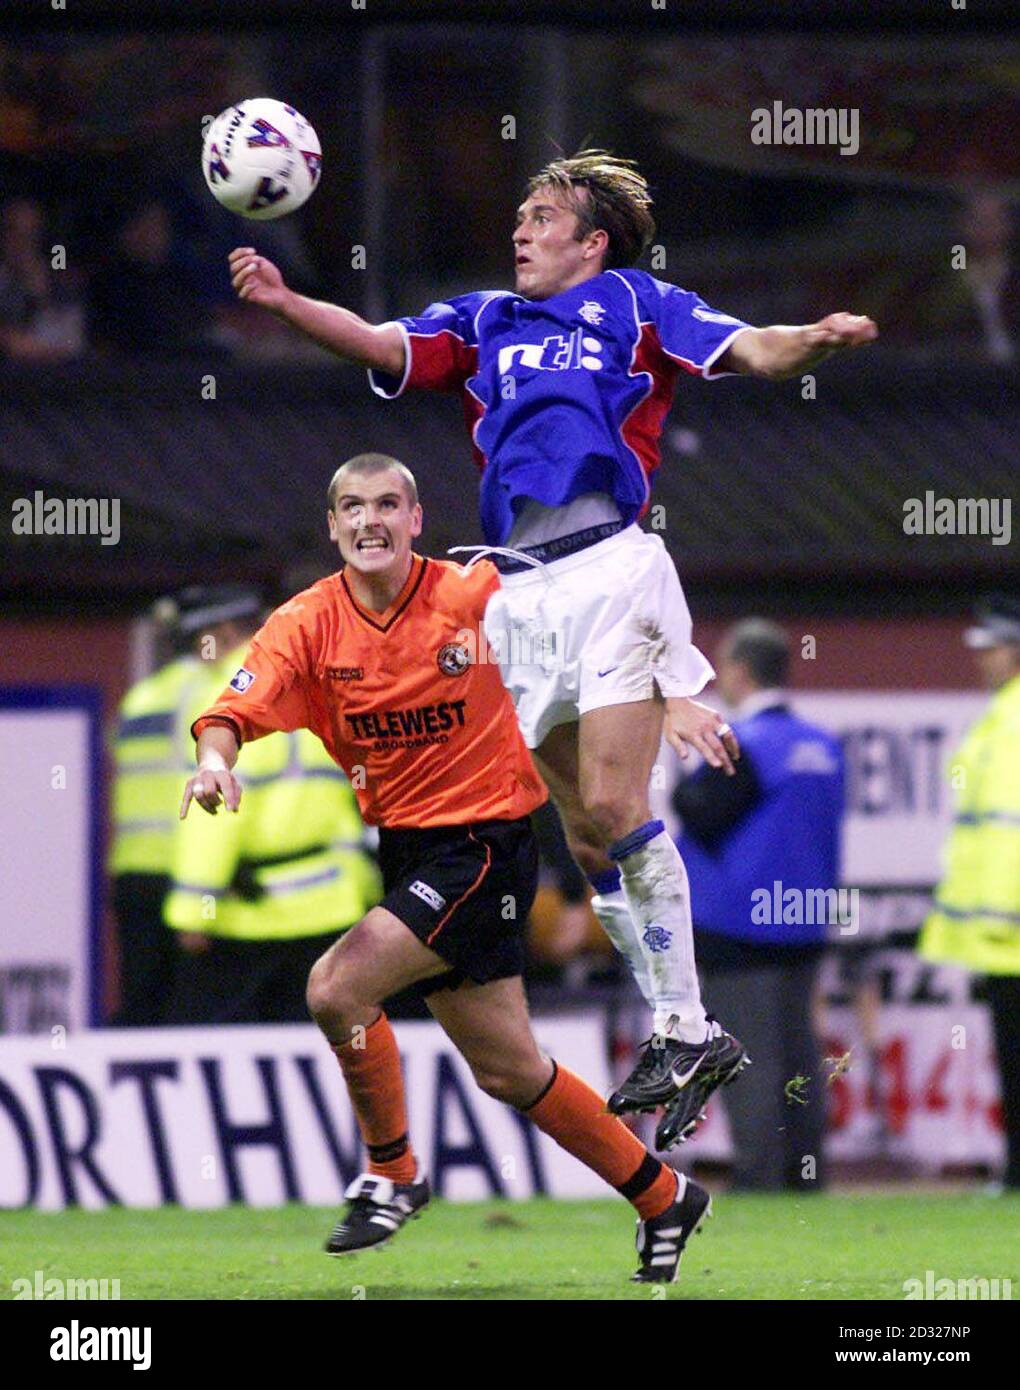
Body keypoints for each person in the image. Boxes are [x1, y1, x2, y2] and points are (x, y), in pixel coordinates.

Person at [226, 148, 877, 1132]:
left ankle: (687, 1024)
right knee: (581, 834)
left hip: (611, 564)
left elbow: (756, 349)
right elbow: (370, 341)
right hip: (515, 597)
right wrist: (285, 303)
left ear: (592, 240)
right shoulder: (482, 319)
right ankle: (687, 1032)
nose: (521, 228)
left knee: (619, 801)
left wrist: (817, 341)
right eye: (521, 214)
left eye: (541, 216)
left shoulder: (635, 301)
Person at [181, 452, 711, 1284]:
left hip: (487, 845)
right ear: (332, 527)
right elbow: (232, 707)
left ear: (417, 519)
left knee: (335, 988)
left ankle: (392, 1172)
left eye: (388, 505)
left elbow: (601, 621)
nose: (370, 522)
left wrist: (672, 686)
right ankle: (662, 1195)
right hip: (409, 849)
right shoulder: (308, 624)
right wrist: (215, 762)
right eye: (352, 508)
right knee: (509, 1069)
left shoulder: (479, 596)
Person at [668, 620, 844, 1174]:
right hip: (804, 924)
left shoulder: (745, 742)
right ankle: (805, 1180)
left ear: (740, 671)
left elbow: (699, 810)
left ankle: (764, 1182)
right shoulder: (824, 745)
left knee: (751, 1064)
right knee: (799, 1061)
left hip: (737, 925)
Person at [164, 620, 381, 1026]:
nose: (197, 655)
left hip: (249, 920)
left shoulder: (219, 701)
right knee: (323, 1040)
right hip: (331, 908)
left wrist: (195, 910)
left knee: (227, 1053)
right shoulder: (321, 690)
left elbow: (212, 814)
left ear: (225, 635)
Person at [918, 594, 1020, 1190]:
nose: (982, 660)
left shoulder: (1010, 723)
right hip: (1001, 934)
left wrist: (1002, 912)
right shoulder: (1002, 716)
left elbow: (1009, 827)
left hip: (1007, 931)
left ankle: (1016, 1174)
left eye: (991, 649)